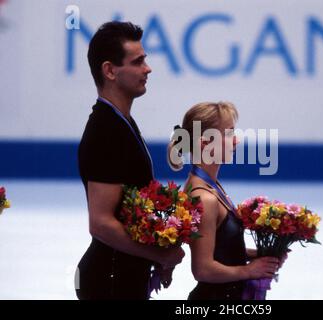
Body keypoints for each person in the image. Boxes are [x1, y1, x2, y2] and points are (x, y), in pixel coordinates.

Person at [76, 21, 184, 300]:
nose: (147, 69)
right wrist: (160, 254)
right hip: (109, 281)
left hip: (120, 275)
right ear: (110, 70)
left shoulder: (120, 122)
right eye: (138, 62)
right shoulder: (105, 131)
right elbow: (100, 223)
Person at [167, 102, 284, 300]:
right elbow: (203, 269)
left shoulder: (211, 185)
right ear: (205, 142)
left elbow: (219, 248)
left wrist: (259, 256)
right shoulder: (203, 197)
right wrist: (248, 271)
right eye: (229, 134)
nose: (236, 140)